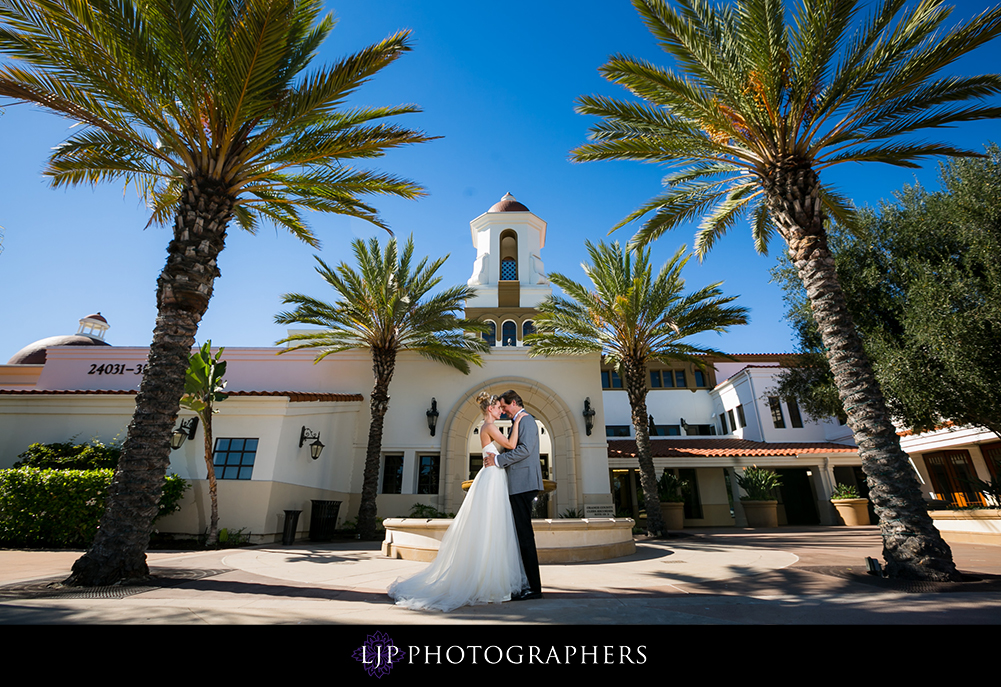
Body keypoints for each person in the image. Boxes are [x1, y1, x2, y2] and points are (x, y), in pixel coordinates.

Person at [387, 392, 527, 611]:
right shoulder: (490, 427)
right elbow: (510, 444)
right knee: (491, 525)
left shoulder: (486, 426)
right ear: (490, 409)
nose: (502, 410)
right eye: (498, 407)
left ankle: (488, 580)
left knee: (491, 526)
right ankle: (488, 583)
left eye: (502, 408)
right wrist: (517, 421)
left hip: (492, 475)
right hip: (492, 478)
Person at [484, 389, 544, 600]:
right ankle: (526, 584)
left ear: (514, 403)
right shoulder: (517, 421)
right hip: (518, 484)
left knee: (525, 536)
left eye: (505, 406)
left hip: (523, 484)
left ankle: (534, 588)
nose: (504, 411)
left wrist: (498, 461)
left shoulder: (526, 420)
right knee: (520, 536)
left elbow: (525, 450)